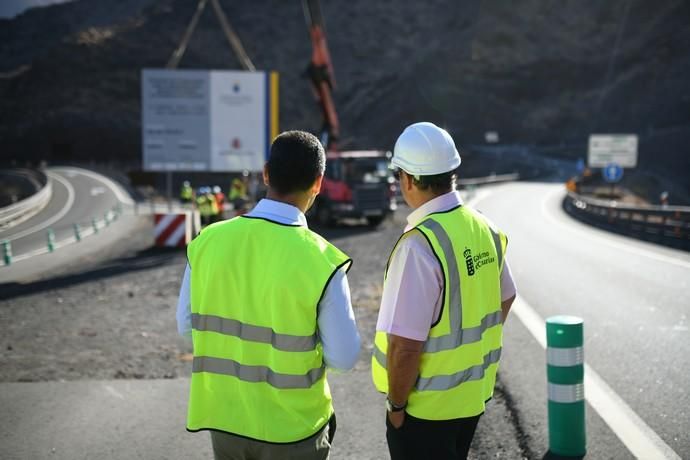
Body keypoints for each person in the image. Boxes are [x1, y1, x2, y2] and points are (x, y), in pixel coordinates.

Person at [177, 130, 361, 460]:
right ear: (318, 183)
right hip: (294, 429)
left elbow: (186, 324)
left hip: (225, 420)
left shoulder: (207, 242)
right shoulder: (323, 260)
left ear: (265, 174)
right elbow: (344, 359)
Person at [371, 122, 517, 460]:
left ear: (407, 179)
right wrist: (469, 353)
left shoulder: (419, 246)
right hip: (471, 397)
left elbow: (405, 347)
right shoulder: (484, 226)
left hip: (426, 410)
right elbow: (506, 297)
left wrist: (396, 405)